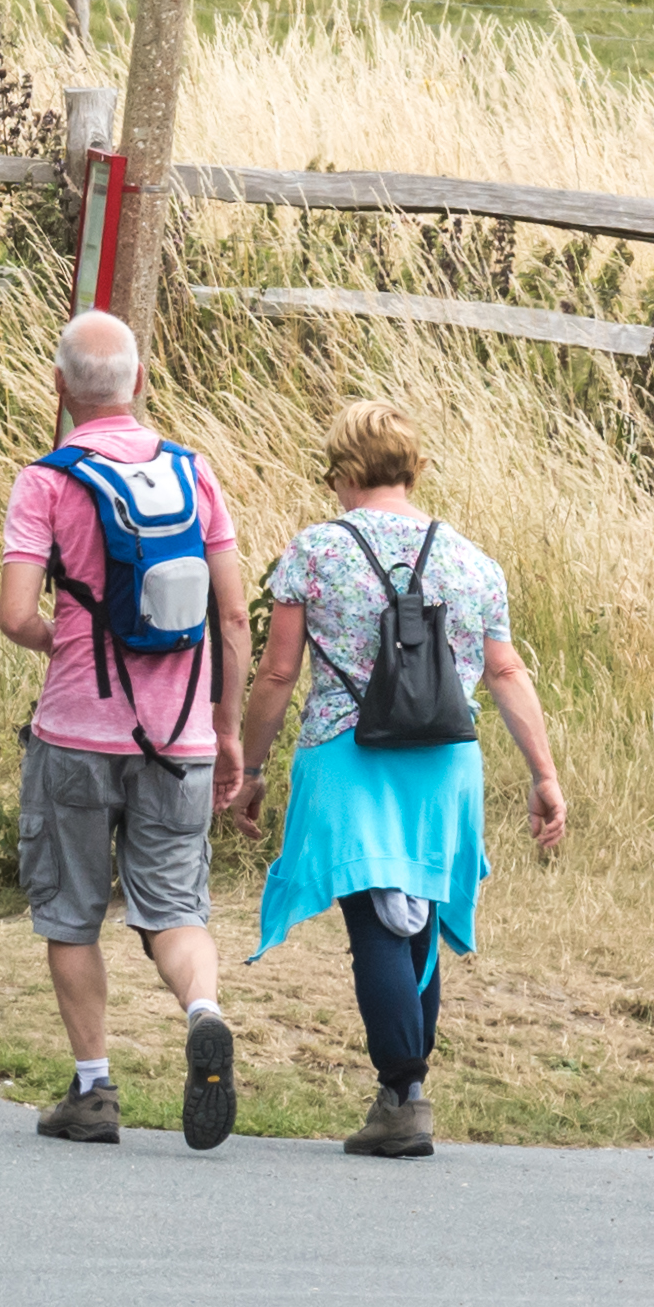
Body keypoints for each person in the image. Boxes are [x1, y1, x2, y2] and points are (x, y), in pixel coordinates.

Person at [237, 404, 567, 1161]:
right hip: (446, 757)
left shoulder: (316, 551)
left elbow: (280, 671)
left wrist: (250, 767)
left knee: (373, 922)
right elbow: (507, 671)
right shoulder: (471, 560)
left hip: (346, 752)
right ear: (413, 469)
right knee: (412, 915)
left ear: (347, 473)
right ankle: (407, 1092)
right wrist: (544, 776)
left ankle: (402, 1092)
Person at [0, 309, 244, 1149]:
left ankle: (93, 1090)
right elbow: (235, 616)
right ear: (139, 382)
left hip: (74, 733)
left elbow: (15, 614)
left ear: (58, 386)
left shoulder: (46, 482)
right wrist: (228, 724)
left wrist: (63, 637)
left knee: (70, 914)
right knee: (174, 906)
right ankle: (203, 1013)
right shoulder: (195, 474)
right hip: (181, 741)